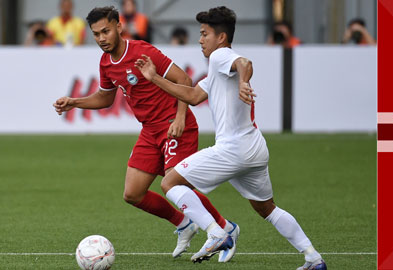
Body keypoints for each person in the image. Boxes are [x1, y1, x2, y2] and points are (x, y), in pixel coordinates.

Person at [134, 6, 327, 269]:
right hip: (255, 148)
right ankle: (313, 258)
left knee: (170, 182)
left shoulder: (220, 56)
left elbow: (244, 63)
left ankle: (216, 233)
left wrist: (244, 81)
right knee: (267, 209)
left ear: (221, 38)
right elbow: (191, 96)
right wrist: (154, 78)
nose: (200, 39)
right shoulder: (216, 69)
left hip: (233, 149)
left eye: (204, 34)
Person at [52, 6, 239, 262]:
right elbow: (105, 98)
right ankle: (185, 224)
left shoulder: (142, 51)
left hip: (174, 126)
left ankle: (224, 228)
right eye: (96, 34)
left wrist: (180, 118)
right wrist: (74, 102)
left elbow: (184, 79)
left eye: (105, 31)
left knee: (177, 185)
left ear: (118, 27)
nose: (101, 38)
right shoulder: (106, 62)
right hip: (150, 130)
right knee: (133, 193)